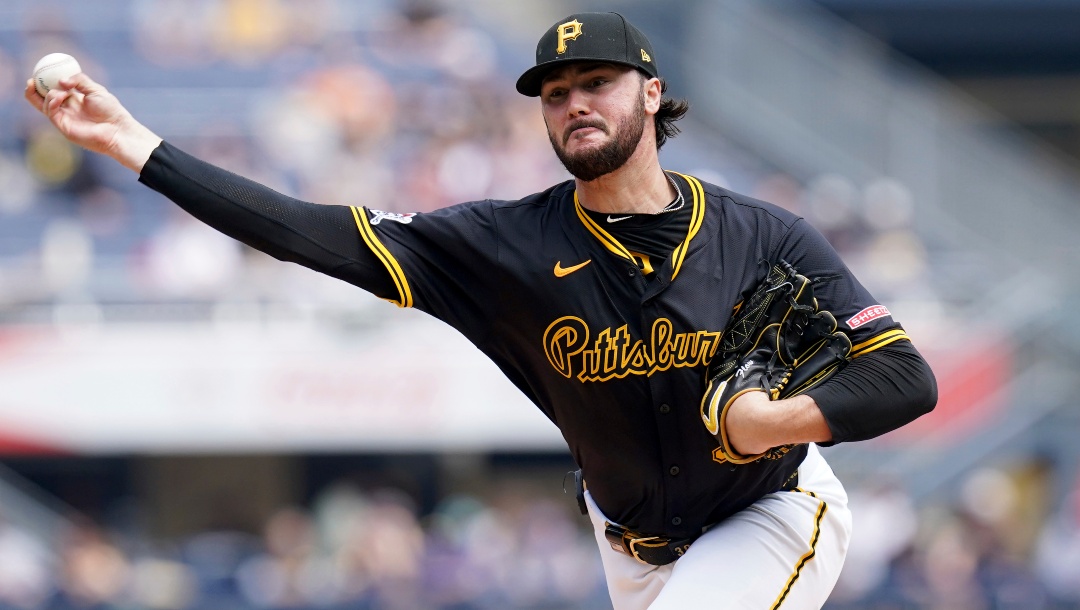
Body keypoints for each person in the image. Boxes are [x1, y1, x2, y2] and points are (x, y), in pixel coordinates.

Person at [25, 11, 937, 610]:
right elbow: (313, 232)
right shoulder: (500, 247)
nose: (574, 104)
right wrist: (131, 143)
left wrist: (772, 420)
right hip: (630, 543)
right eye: (556, 93)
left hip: (769, 506)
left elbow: (906, 375)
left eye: (598, 84)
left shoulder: (758, 235)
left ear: (652, 96)